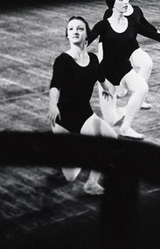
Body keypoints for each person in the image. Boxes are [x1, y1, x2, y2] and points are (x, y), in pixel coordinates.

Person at [88, 0, 160, 139]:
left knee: (142, 88)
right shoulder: (103, 25)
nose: (126, 1)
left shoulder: (132, 23)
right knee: (110, 120)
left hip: (125, 70)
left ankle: (125, 127)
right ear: (112, 4)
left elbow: (157, 35)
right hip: (106, 74)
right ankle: (118, 114)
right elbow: (85, 43)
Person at [48, 16, 117, 195]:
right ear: (67, 35)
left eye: (79, 28)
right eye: (71, 29)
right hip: (64, 119)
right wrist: (52, 104)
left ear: (87, 34)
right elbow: (55, 85)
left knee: (110, 139)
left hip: (84, 114)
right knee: (71, 176)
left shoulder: (93, 59)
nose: (75, 32)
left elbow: (99, 75)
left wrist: (106, 88)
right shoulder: (63, 60)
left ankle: (91, 183)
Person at [100, 0, 155, 110]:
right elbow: (103, 35)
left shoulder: (136, 10)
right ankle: (122, 86)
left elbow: (148, 27)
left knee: (147, 63)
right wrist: (101, 56)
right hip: (116, 53)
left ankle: (138, 97)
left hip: (131, 48)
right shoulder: (110, 12)